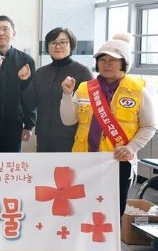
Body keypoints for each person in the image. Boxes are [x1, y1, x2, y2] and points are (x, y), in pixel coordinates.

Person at [60, 33, 156, 216]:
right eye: (102, 59)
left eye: (113, 60)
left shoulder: (138, 91)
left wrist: (131, 148)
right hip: (83, 159)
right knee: (81, 208)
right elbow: (68, 120)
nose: (107, 64)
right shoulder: (85, 88)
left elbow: (149, 126)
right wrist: (66, 95)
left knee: (112, 210)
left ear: (124, 63)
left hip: (117, 161)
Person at [21, 27, 92, 152]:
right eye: (53, 42)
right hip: (44, 135)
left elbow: (90, 108)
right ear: (48, 47)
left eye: (63, 42)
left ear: (71, 45)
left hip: (72, 136)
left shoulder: (82, 71)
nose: (58, 46)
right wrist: (25, 81)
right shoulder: (41, 72)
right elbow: (31, 103)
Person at [0, 15, 36, 152]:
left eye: (5, 29)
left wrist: (29, 124)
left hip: (14, 123)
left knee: (11, 162)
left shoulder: (26, 60)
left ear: (13, 33)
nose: (1, 33)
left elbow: (30, 96)